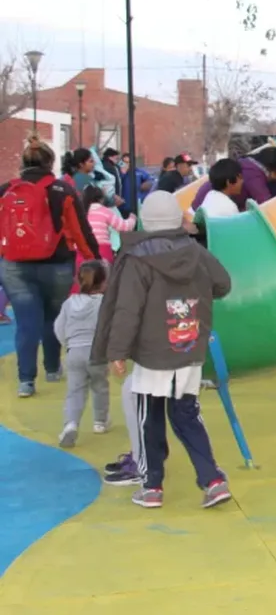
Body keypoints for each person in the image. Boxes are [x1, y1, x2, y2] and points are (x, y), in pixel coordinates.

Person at [90, 191, 233, 509]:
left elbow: (127, 309)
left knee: (148, 419)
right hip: (188, 347)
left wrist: (116, 352)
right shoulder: (196, 252)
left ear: (146, 220)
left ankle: (152, 486)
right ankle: (212, 480)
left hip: (152, 354)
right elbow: (222, 284)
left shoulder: (136, 258)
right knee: (187, 416)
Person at [0, 136, 101, 398]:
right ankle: (53, 368)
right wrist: (94, 259)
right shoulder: (61, 191)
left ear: (22, 162)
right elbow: (80, 231)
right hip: (56, 264)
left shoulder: (5, 190)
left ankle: (26, 381)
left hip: (13, 265)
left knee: (26, 321)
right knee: (53, 316)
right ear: (51, 162)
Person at [55, 260, 110, 447]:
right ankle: (100, 421)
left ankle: (71, 424)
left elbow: (58, 327)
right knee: (100, 386)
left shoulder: (69, 303)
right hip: (97, 352)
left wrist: (67, 344)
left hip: (74, 351)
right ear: (103, 282)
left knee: (75, 391)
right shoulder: (103, 303)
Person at [191, 147, 276, 212]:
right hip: (209, 210)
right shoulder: (254, 176)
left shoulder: (247, 163)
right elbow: (266, 206)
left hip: (200, 203)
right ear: (272, 169)